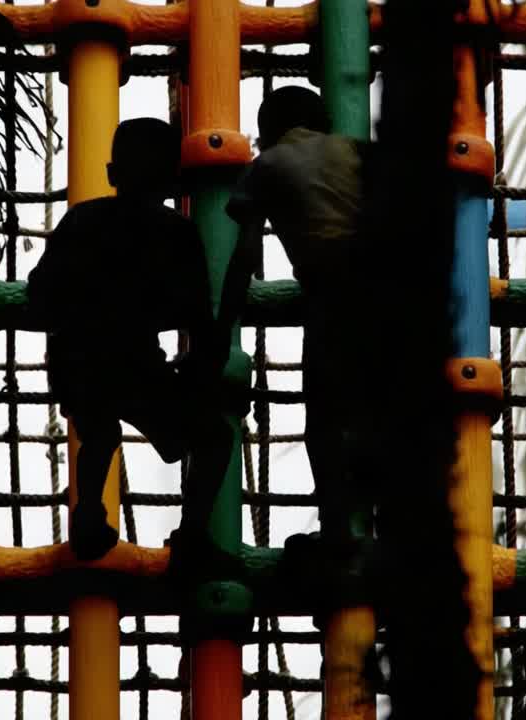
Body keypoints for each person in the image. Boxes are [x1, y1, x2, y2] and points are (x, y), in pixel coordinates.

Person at [27, 117, 232, 564]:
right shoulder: (176, 233)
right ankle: (192, 534)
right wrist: (202, 372)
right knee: (212, 436)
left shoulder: (82, 219)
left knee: (98, 430)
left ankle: (88, 508)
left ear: (111, 174)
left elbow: (40, 294)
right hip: (137, 361)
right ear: (172, 179)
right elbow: (197, 314)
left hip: (77, 359)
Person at [223, 86, 374, 560]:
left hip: (332, 292)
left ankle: (336, 533)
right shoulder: (358, 151)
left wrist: (221, 322)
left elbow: (246, 251)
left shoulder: (268, 165)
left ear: (266, 132)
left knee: (325, 420)